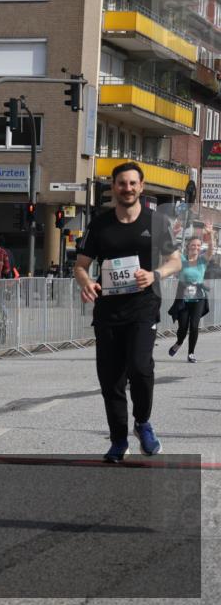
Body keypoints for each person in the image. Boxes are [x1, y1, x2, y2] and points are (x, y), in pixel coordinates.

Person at [74, 161, 181, 463]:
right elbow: (81, 266)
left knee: (140, 368)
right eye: (122, 183)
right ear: (114, 187)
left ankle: (143, 423)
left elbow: (175, 261)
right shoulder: (100, 224)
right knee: (111, 380)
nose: (128, 188)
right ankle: (119, 439)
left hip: (142, 309)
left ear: (141, 186)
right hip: (108, 311)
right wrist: (86, 284)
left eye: (133, 183)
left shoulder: (156, 221)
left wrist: (155, 275)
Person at [167, 224, 214, 362]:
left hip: (199, 298)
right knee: (182, 327)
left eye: (199, 246)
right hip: (183, 298)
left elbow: (210, 249)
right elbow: (170, 249)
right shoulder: (182, 260)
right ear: (188, 247)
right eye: (193, 245)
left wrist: (210, 235)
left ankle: (191, 353)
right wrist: (173, 234)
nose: (196, 248)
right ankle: (179, 342)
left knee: (194, 325)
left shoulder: (202, 261)